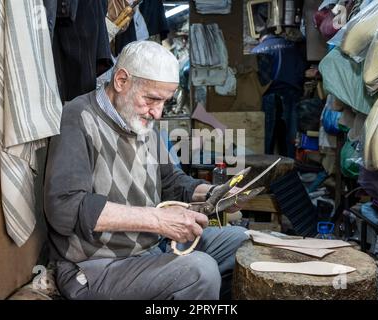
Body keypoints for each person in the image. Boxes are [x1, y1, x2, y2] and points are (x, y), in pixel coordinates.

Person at [43, 40, 249, 300]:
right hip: (93, 267)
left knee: (241, 241)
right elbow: (65, 208)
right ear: (121, 81)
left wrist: (215, 194)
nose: (158, 113)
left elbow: (171, 181)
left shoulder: (141, 122)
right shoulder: (78, 117)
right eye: (152, 99)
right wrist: (159, 220)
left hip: (148, 252)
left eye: (165, 102)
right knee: (200, 271)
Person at [251, 28, 306, 158]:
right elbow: (301, 68)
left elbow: (256, 80)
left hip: (268, 95)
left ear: (261, 38)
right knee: (290, 133)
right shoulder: (291, 46)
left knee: (267, 134)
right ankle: (291, 164)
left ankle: (266, 165)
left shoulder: (257, 50)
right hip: (290, 92)